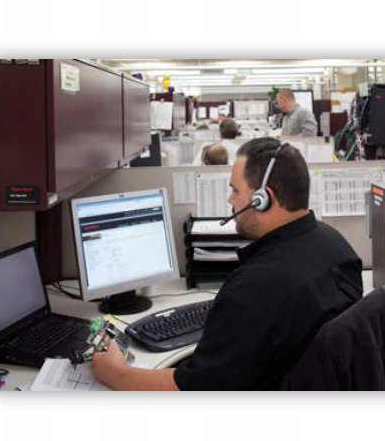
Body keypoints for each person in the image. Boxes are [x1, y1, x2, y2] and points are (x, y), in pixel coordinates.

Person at [91, 137, 362, 390]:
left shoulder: (255, 288)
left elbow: (195, 389)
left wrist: (116, 372)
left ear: (263, 199)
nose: (231, 200)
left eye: (235, 190)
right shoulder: (336, 245)